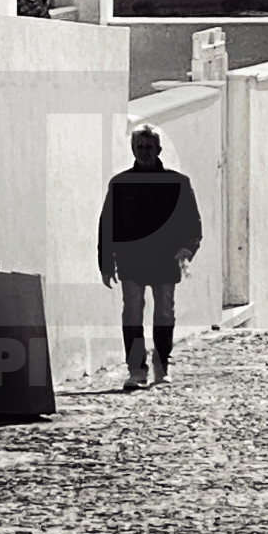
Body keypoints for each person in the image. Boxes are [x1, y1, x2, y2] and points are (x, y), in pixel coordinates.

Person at [98, 125, 202, 390]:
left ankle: (162, 364)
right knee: (132, 312)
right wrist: (106, 263)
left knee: (165, 312)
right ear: (133, 149)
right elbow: (107, 224)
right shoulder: (120, 184)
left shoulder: (178, 182)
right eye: (139, 147)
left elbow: (193, 223)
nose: (144, 152)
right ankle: (136, 369)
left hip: (165, 260)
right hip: (131, 260)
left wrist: (187, 250)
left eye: (149, 147)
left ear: (159, 150)